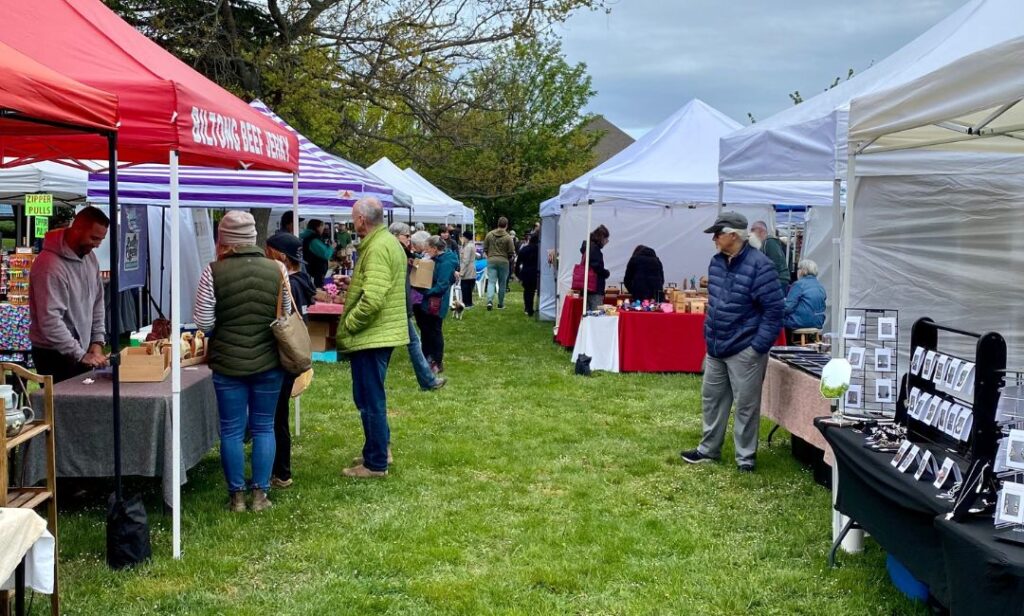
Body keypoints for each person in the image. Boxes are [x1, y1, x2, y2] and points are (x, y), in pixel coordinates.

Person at [194, 210, 292, 512]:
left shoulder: (213, 271)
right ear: (253, 238)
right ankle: (260, 496)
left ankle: (236, 497)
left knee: (232, 430)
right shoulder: (278, 268)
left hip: (227, 363)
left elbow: (202, 320)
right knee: (264, 427)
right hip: (269, 362)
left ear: (224, 240)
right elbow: (285, 314)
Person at [680, 212, 784, 473]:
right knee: (712, 400)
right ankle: (708, 450)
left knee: (746, 406)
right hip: (716, 346)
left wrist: (756, 348)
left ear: (734, 235)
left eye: (718, 233)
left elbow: (774, 312)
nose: (714, 238)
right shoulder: (716, 263)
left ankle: (745, 459)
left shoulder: (761, 266)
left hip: (745, 348)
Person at [338, 197, 409, 478]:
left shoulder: (378, 247)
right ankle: (379, 450)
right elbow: (376, 285)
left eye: (353, 217)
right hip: (381, 333)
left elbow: (374, 299)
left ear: (361, 220)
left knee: (370, 399)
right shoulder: (384, 242)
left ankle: (375, 463)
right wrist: (353, 283)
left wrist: (351, 324)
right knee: (371, 396)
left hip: (372, 335)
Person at [29, 206, 110, 383]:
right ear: (78, 229)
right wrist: (80, 355)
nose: (97, 244)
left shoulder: (90, 258)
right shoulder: (49, 266)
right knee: (62, 408)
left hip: (80, 349)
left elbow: (97, 302)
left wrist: (97, 342)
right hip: (53, 354)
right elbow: (50, 321)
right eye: (94, 238)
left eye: (101, 240)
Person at [265, 232, 317, 489]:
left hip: (284, 356)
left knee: (277, 417)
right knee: (278, 415)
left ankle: (281, 471)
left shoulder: (290, 284)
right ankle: (279, 469)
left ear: (279, 256)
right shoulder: (303, 280)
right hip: (294, 354)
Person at [389, 222, 446, 391]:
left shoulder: (401, 251)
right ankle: (428, 381)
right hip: (396, 304)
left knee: (411, 343)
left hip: (400, 304)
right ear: (395, 235)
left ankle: (428, 380)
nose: (409, 240)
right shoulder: (395, 251)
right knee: (407, 343)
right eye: (406, 236)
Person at [413, 236, 458, 374]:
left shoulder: (446, 262)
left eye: (428, 249)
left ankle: (437, 361)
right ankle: (427, 358)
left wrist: (425, 292)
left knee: (435, 331)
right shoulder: (437, 259)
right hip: (428, 300)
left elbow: (442, 285)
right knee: (426, 330)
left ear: (434, 248)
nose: (426, 252)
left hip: (436, 302)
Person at [784, 259, 827, 339]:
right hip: (819, 322)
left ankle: (784, 346)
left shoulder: (798, 285)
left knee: (777, 318)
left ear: (802, 271)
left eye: (798, 269)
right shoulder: (820, 286)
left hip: (801, 322)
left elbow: (788, 308)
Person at [482, 217, 516, 310]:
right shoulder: (508, 237)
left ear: (498, 224)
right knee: (502, 283)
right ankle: (500, 304)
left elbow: (485, 249)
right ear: (506, 225)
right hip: (503, 261)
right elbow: (511, 252)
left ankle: (489, 301)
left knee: (491, 282)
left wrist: (489, 256)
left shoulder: (489, 235)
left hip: (491, 260)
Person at [751, 221, 789, 291]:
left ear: (761, 231)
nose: (751, 233)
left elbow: (776, 263)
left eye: (753, 230)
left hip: (778, 280)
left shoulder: (770, 242)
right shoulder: (764, 243)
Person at [580, 225, 611, 311]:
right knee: (596, 314)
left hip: (587, 287)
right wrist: (606, 273)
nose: (606, 242)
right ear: (601, 238)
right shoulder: (594, 249)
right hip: (594, 288)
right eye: (606, 239)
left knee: (587, 314)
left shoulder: (588, 247)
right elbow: (597, 267)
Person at [300, 219, 333, 287]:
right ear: (317, 227)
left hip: (310, 269)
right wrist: (331, 247)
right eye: (322, 227)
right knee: (318, 289)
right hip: (315, 270)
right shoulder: (313, 240)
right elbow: (326, 254)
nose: (323, 229)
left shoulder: (306, 237)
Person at [515, 232, 540, 317]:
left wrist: (518, 274)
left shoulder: (524, 249)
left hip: (525, 272)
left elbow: (518, 263)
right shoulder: (539, 250)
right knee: (532, 291)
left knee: (526, 291)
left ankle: (527, 307)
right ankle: (530, 308)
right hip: (534, 273)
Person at [459, 230, 476, 309]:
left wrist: (462, 271)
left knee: (465, 286)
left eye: (463, 237)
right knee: (469, 287)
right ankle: (469, 303)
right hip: (471, 269)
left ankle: (467, 303)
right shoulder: (471, 245)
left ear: (466, 237)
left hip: (467, 269)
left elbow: (465, 260)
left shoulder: (468, 247)